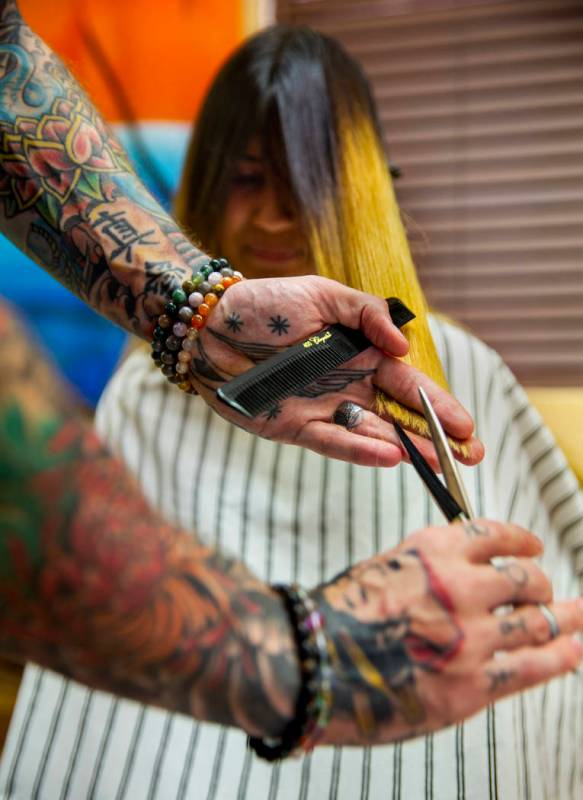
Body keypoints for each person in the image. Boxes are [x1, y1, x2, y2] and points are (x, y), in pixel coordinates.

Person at [5, 24, 583, 800]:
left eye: (305, 182)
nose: (277, 215)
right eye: (246, 180)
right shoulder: (147, 390)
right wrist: (305, 659)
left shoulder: (459, 369)